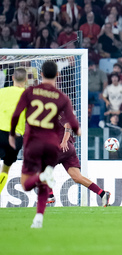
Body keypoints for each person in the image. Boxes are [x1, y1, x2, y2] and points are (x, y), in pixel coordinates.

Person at [9, 61, 80, 228]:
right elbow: (72, 122)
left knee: (26, 183)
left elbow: (16, 115)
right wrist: (78, 131)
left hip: (33, 142)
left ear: (40, 74)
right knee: (44, 182)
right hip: (51, 145)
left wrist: (12, 134)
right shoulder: (62, 97)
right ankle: (39, 218)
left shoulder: (30, 92)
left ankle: (42, 178)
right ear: (57, 75)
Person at [48, 114, 110, 206]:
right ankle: (102, 193)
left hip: (61, 147)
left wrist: (64, 140)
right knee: (77, 177)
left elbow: (67, 125)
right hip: (68, 150)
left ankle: (50, 195)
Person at [0, 68, 27, 194]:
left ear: (12, 78)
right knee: (5, 168)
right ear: (26, 79)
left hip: (0, 132)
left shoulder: (2, 92)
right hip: (15, 138)